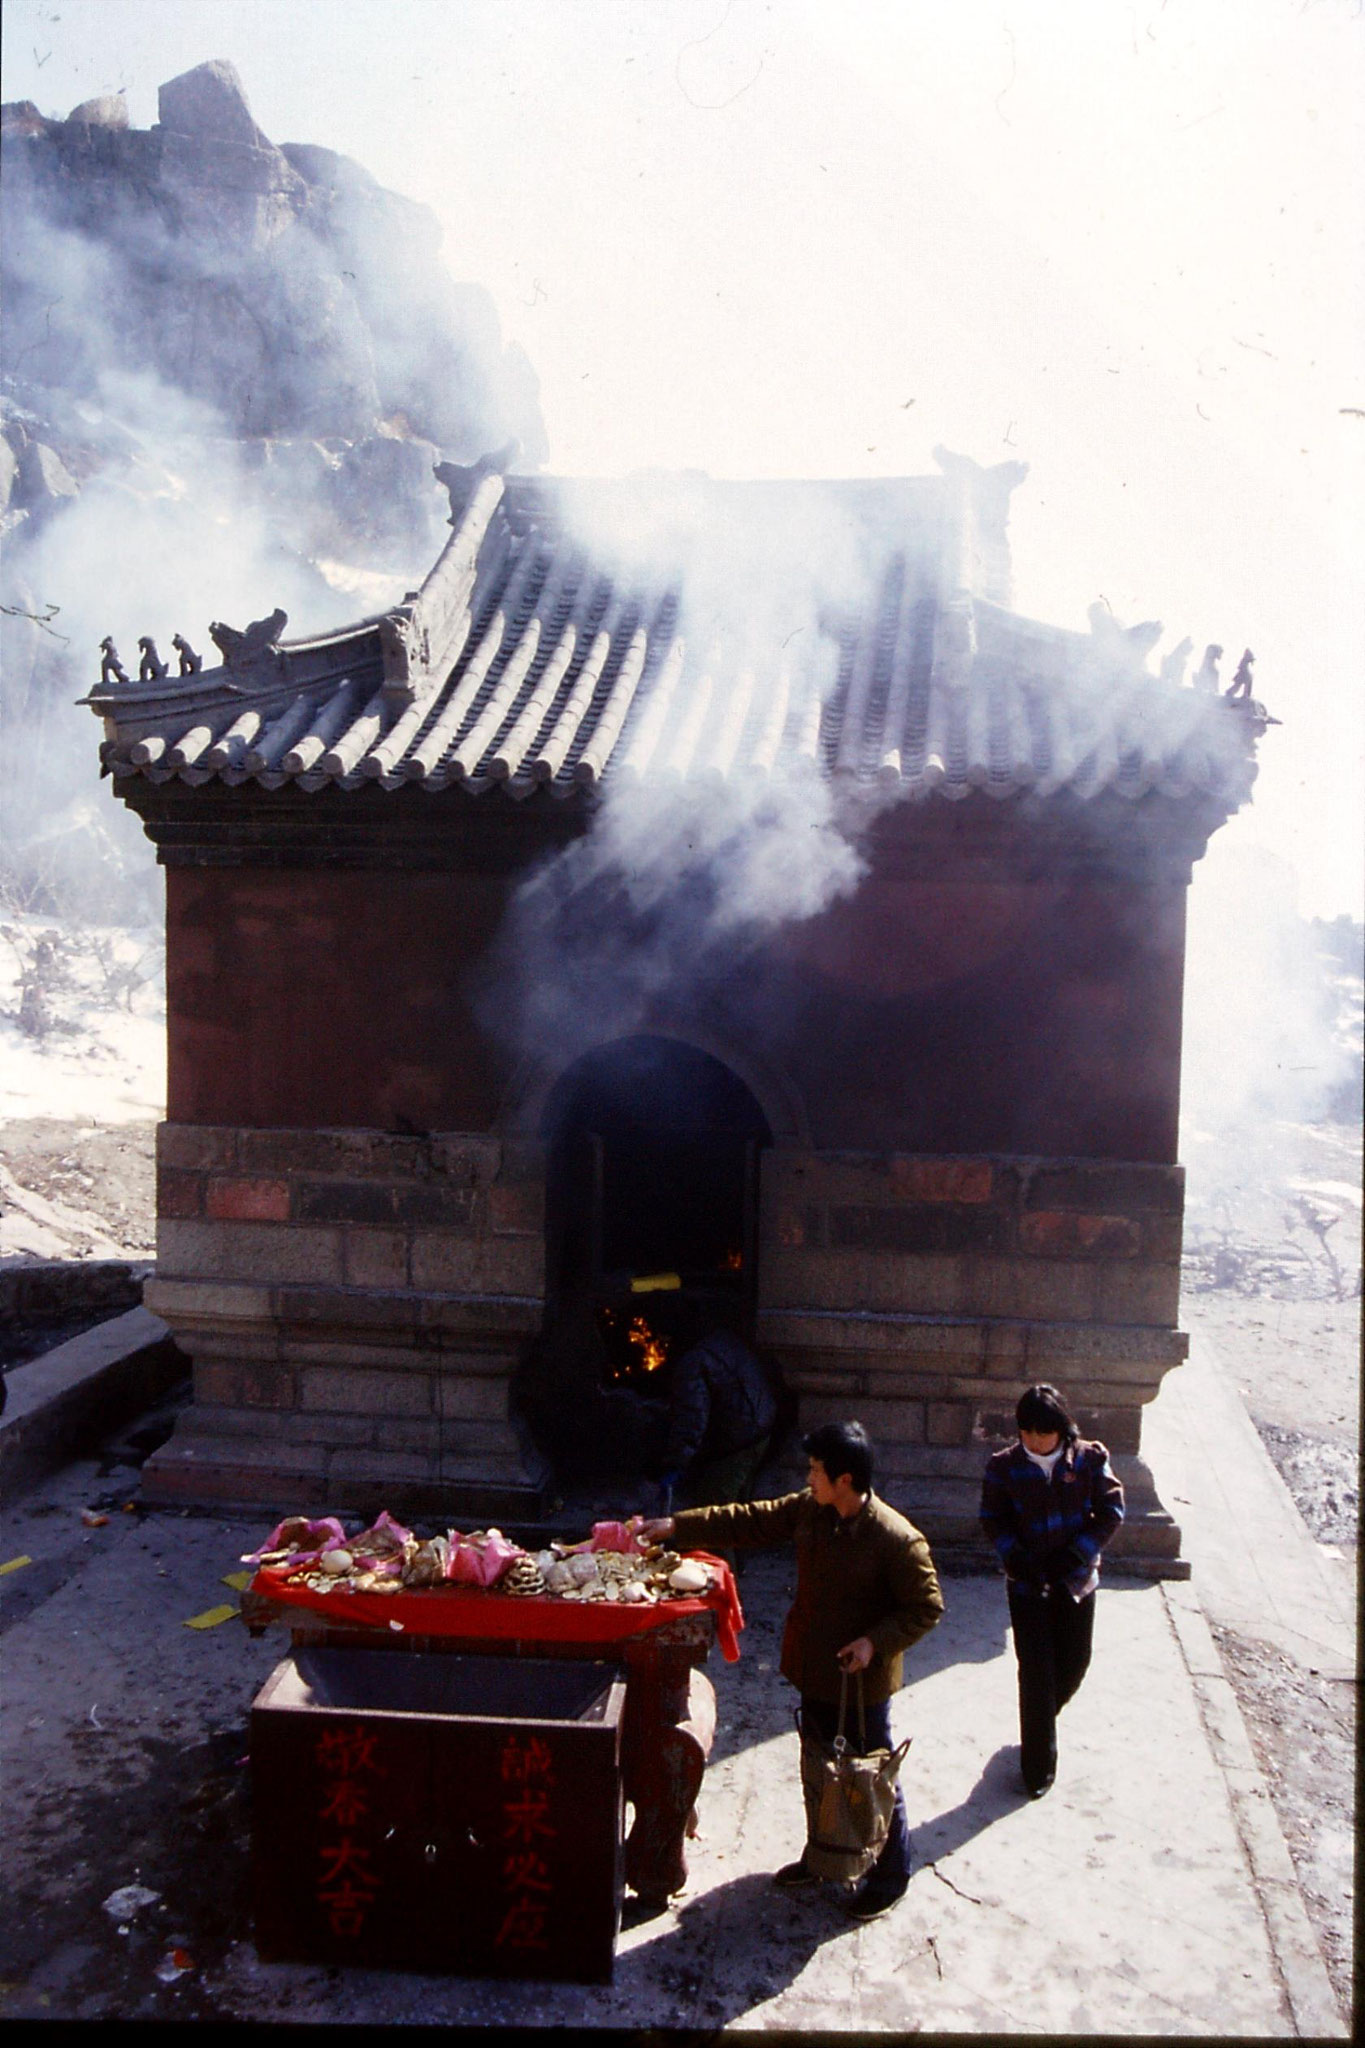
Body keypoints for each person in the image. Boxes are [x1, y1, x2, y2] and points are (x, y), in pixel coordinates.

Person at [641, 1418, 943, 1921]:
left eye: (816, 1471)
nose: (809, 1479)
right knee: (820, 1772)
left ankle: (890, 1873)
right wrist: (677, 1526)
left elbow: (927, 1607)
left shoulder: (897, 1540)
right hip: (815, 1669)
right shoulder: (811, 1512)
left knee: (870, 1776)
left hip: (861, 1685)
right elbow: (747, 1519)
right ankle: (824, 1855)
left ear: (844, 1480)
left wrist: (875, 1642)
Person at [979, 1382, 1125, 1799]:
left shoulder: (1091, 1460)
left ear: (1061, 1430)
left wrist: (1078, 1555)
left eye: (1043, 1433)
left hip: (1075, 1582)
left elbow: (1111, 1512)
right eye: (1027, 1432)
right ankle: (1037, 1766)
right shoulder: (1003, 1467)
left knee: (1073, 1663)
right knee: (1036, 1672)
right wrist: (1016, 1556)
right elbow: (993, 1518)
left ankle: (1042, 1720)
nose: (1035, 1441)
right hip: (1027, 1585)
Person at [657, 1325, 780, 1509]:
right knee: (739, 1511)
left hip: (738, 1440)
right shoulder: (723, 1339)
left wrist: (676, 1462)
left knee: (712, 1517)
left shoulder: (694, 1361)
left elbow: (691, 1419)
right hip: (761, 1427)